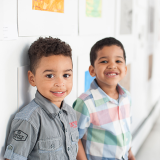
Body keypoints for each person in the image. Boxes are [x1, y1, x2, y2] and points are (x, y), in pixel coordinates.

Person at [4, 37, 79, 160]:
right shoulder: (29, 120)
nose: (60, 83)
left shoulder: (70, 112)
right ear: (32, 79)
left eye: (66, 75)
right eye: (50, 75)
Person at [73, 37, 136, 160]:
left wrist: (130, 155)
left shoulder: (127, 97)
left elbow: (125, 131)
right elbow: (74, 138)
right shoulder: (85, 103)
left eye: (118, 61)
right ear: (92, 70)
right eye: (104, 61)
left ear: (125, 69)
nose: (112, 65)